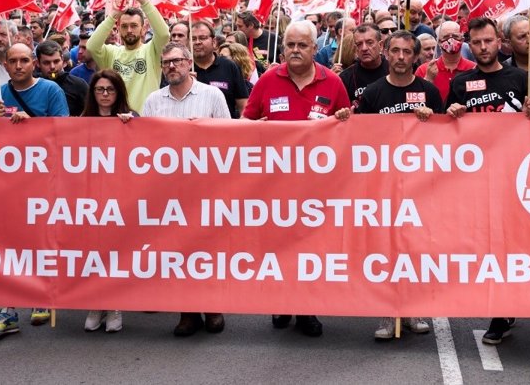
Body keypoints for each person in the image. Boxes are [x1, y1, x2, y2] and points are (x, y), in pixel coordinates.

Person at [243, 21, 350, 337]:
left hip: (317, 189)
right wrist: (255, 128)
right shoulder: (267, 80)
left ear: (315, 49)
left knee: (311, 249)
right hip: (275, 186)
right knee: (278, 248)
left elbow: (350, 131)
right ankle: (282, 302)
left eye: (302, 45)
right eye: (289, 45)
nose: (294, 51)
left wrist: (345, 121)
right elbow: (245, 123)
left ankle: (306, 309)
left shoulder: (332, 82)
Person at [336, 30, 441, 341]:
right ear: (387, 51)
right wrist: (345, 119)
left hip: (420, 184)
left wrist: (431, 119)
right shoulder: (373, 93)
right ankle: (387, 313)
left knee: (414, 248)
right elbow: (358, 138)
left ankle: (411, 310)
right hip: (382, 186)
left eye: (407, 52)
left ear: (415, 56)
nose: (400, 57)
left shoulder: (428, 92)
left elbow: (446, 137)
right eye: (395, 51)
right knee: (384, 250)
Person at [443, 17, 530, 345]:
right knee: (487, 246)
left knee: (509, 246)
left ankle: (502, 311)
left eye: (488, 41)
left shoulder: (521, 78)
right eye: (477, 42)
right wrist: (451, 112)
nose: (483, 48)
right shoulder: (462, 83)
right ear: (470, 43)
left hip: (514, 177)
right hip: (476, 180)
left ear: (499, 43)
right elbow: (444, 131)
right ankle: (502, 308)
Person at [143, 43, 230, 337]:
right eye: (166, 62)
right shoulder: (154, 101)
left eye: (177, 61)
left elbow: (229, 138)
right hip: (169, 190)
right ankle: (188, 312)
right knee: (179, 251)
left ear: (189, 62)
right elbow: (143, 145)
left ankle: (213, 307)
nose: (171, 67)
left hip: (206, 187)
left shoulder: (212, 95)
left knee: (207, 249)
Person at [0, 43, 70, 337]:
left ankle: (41, 296)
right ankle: (8, 309)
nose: (18, 66)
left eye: (24, 60)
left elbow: (64, 133)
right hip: (9, 183)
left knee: (41, 241)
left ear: (33, 63)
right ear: (5, 65)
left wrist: (32, 124)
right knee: (9, 245)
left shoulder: (51, 91)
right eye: (13, 61)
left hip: (44, 180)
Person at [79, 69, 135, 333]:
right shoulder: (81, 121)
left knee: (115, 253)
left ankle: (114, 304)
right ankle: (95, 303)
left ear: (118, 92)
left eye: (109, 90)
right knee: (93, 253)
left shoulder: (131, 118)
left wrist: (132, 127)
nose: (104, 94)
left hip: (120, 198)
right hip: (90, 198)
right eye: (99, 90)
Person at [86, 0, 170, 111]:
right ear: (119, 29)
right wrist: (113, 15)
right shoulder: (111, 52)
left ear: (144, 29)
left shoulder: (152, 51)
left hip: (145, 121)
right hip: (117, 122)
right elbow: (91, 46)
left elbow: (164, 34)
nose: (129, 30)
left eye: (134, 25)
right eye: (124, 26)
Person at [190, 21, 249, 119]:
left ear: (214, 42)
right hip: (192, 131)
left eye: (202, 38)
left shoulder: (229, 66)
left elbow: (243, 105)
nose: (197, 42)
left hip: (224, 131)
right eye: (193, 39)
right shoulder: (183, 68)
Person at [416, 20, 475, 103]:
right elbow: (416, 102)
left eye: (455, 37)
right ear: (439, 42)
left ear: (462, 40)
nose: (451, 40)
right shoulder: (424, 70)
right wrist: (428, 80)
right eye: (446, 37)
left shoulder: (473, 68)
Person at [339, 24, 389, 108]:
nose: (364, 48)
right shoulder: (346, 78)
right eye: (359, 44)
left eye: (370, 43)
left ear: (380, 45)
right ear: (355, 49)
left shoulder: (394, 70)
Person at [35, 40, 88, 117]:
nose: (52, 67)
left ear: (62, 60)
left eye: (56, 61)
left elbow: (91, 111)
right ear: (38, 63)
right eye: (46, 63)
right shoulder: (33, 84)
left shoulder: (78, 85)